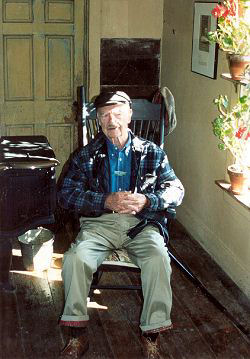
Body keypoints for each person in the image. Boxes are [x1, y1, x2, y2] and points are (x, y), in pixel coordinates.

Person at [57, 91, 184, 359]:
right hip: (99, 225)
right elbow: (66, 193)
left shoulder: (152, 152)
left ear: (129, 115)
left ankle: (151, 336)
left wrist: (147, 200)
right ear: (98, 120)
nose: (111, 119)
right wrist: (105, 200)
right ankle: (77, 336)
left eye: (117, 113)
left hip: (141, 225)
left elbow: (176, 190)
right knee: (74, 259)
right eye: (104, 114)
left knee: (158, 259)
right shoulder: (86, 155)